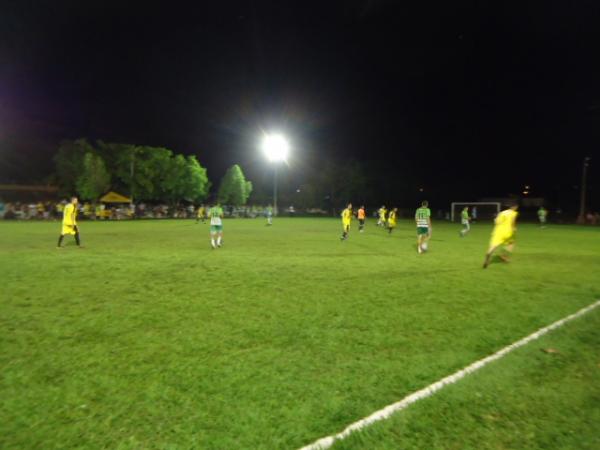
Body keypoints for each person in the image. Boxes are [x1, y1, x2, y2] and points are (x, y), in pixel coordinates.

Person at [483, 203, 519, 268]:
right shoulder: (513, 213)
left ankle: (489, 253)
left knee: (493, 246)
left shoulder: (501, 213)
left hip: (497, 231)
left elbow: (496, 222)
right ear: (514, 207)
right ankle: (504, 256)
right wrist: (514, 228)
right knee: (511, 244)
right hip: (507, 232)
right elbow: (513, 222)